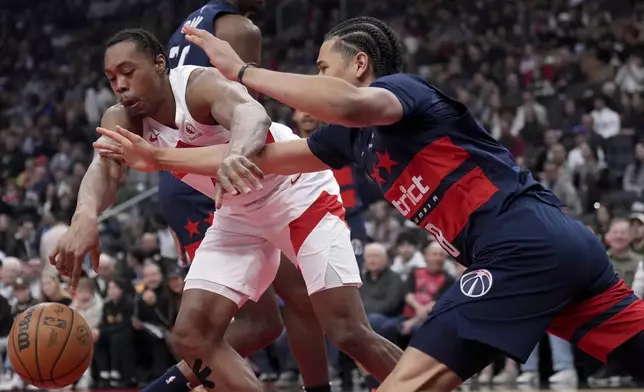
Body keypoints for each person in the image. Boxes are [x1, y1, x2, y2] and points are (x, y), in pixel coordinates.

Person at [96, 16, 644, 391]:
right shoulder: (347, 139)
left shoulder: (404, 92)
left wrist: (242, 73)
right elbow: (264, 160)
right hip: (558, 250)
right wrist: (159, 161)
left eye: (323, 67)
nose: (316, 79)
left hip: (520, 247)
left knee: (405, 382)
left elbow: (351, 103)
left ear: (359, 64)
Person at [55, 27, 401, 392]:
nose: (120, 85)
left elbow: (251, 114)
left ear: (160, 64)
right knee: (191, 336)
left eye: (128, 72)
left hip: (296, 192)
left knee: (348, 331)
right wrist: (84, 215)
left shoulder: (196, 86)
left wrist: (236, 152)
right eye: (112, 78)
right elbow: (103, 169)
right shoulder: (122, 118)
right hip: (238, 215)